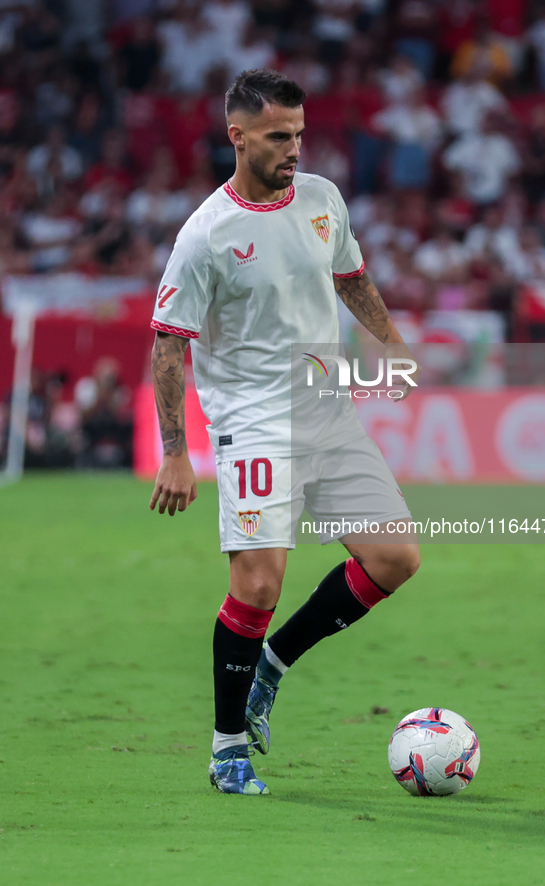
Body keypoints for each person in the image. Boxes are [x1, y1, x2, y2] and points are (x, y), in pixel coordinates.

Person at [148, 69, 420, 796]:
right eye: (277, 136)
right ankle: (226, 747)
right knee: (259, 583)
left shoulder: (322, 200)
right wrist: (176, 453)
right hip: (252, 420)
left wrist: (389, 341)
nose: (293, 147)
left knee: (394, 558)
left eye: (298, 133)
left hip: (326, 406)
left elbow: (350, 275)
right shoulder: (207, 234)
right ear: (237, 137)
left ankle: (272, 665)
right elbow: (168, 344)